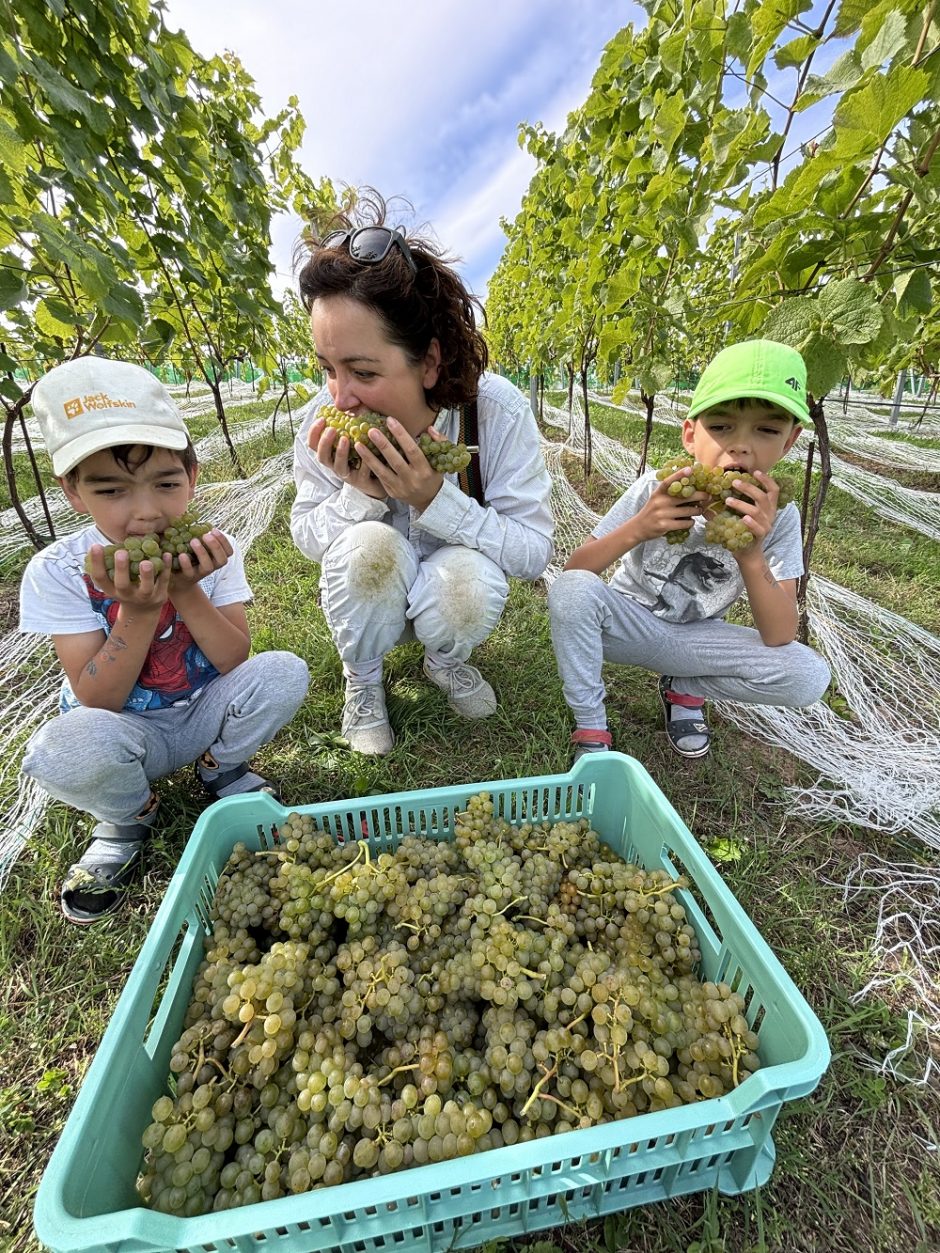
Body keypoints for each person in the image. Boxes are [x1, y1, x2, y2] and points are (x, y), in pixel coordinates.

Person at [19, 357, 310, 923]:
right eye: (112, 490)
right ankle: (129, 815)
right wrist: (138, 610)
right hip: (127, 730)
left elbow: (232, 657)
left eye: (167, 484)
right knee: (59, 748)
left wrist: (186, 590)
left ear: (194, 476)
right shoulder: (56, 571)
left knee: (284, 672)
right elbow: (96, 697)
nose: (146, 512)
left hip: (201, 709)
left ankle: (218, 766)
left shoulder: (206, 551)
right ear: (73, 492)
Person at [290, 192, 554, 755]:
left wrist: (437, 498)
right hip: (373, 584)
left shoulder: (495, 412)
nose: (341, 396)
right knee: (366, 547)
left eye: (362, 371)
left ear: (429, 362)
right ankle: (362, 678)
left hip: (445, 581)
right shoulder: (323, 417)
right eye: (327, 368)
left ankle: (445, 661)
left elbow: (534, 552)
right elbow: (307, 536)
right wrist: (357, 496)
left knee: (470, 582)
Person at [548, 339, 831, 762]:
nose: (740, 446)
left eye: (767, 430)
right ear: (689, 434)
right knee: (571, 590)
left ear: (790, 442)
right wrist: (640, 527)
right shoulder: (654, 490)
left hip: (699, 640)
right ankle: (592, 725)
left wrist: (751, 555)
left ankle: (684, 688)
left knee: (808, 676)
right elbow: (576, 573)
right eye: (721, 427)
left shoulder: (780, 517)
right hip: (629, 628)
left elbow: (780, 634)